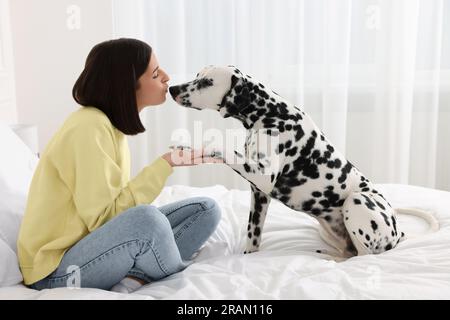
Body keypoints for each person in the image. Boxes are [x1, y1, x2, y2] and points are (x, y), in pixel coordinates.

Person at [17, 38, 222, 293]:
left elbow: (115, 213)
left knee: (206, 209)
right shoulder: (88, 127)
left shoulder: (109, 126)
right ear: (127, 85)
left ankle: (137, 276)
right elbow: (107, 220)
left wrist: (169, 162)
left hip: (90, 246)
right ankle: (165, 277)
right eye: (156, 73)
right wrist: (163, 165)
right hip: (55, 271)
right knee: (147, 219)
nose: (167, 78)